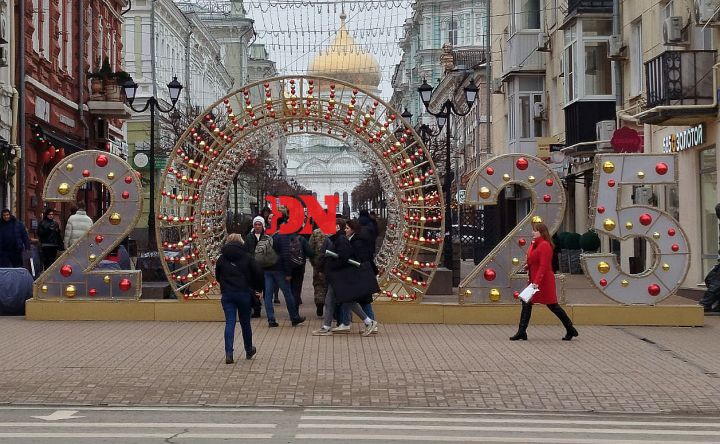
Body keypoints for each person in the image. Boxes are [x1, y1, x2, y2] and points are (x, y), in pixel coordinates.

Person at [510, 221, 579, 341]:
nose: (533, 232)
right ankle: (522, 331)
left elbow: (544, 265)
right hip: (535, 280)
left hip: (543, 281)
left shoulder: (545, 245)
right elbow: (532, 259)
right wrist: (528, 266)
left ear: (542, 232)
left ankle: (570, 329)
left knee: (553, 306)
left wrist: (536, 282)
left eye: (535, 230)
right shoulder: (536, 244)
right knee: (526, 302)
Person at [313, 218, 378, 337]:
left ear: (338, 227)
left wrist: (331, 266)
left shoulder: (340, 239)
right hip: (338, 276)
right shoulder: (339, 238)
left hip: (340, 276)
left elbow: (343, 257)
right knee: (335, 300)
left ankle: (368, 322)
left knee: (346, 300)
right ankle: (327, 326)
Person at [215, 233, 263, 363]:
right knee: (245, 322)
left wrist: (226, 284)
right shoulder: (247, 257)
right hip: (244, 293)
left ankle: (229, 353)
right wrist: (258, 289)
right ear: (241, 242)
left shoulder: (221, 258)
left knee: (230, 322)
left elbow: (217, 277)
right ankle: (248, 349)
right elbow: (257, 273)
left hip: (228, 294)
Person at [262, 214, 306, 328]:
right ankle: (294, 317)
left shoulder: (267, 233)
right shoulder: (283, 235)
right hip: (279, 269)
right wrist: (288, 272)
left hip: (267, 268)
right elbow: (286, 254)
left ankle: (271, 320)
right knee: (288, 293)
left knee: (268, 295)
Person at [244, 215, 268, 318]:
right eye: (256, 224)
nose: (258, 226)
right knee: (252, 289)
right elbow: (246, 251)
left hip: (264, 267)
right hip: (252, 267)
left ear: (263, 225)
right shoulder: (249, 237)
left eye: (259, 224)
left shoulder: (266, 237)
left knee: (263, 289)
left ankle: (264, 309)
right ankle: (255, 308)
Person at [308, 224, 331, 317]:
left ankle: (319, 303)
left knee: (318, 284)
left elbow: (310, 249)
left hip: (318, 264)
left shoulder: (316, 232)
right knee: (330, 286)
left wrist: (313, 263)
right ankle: (330, 307)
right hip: (331, 264)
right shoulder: (335, 232)